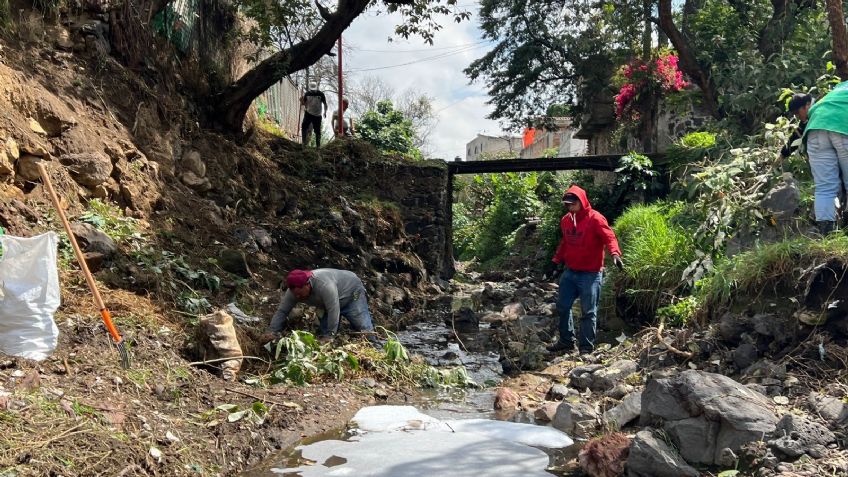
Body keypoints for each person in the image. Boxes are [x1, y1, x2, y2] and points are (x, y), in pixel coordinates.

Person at [547, 185, 623, 355]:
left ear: (581, 201)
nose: (569, 207)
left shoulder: (596, 219)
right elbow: (565, 243)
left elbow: (609, 237)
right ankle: (566, 341)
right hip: (571, 271)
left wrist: (615, 254)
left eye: (572, 204)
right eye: (567, 204)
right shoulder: (566, 220)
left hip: (591, 273)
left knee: (588, 312)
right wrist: (555, 261)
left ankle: (586, 349)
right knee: (563, 306)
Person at [262, 268, 378, 345]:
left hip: (352, 294)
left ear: (307, 284)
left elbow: (334, 309)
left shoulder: (324, 285)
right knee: (322, 336)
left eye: (300, 294)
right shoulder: (293, 293)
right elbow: (282, 311)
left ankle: (376, 348)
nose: (298, 297)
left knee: (364, 329)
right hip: (328, 304)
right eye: (295, 295)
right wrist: (272, 331)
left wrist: (330, 335)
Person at [803, 80, 848, 234]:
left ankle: (826, 233)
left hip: (815, 127)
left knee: (824, 188)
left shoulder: (839, 87)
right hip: (842, 125)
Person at [780, 93, 812, 158]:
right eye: (795, 114)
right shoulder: (804, 122)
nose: (797, 116)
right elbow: (792, 141)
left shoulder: (819, 115)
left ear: (808, 104)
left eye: (797, 112)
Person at [301, 82, 327, 147]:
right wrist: (302, 101)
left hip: (317, 115)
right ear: (310, 88)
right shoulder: (307, 94)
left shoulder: (321, 94)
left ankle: (318, 146)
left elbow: (325, 104)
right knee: (304, 126)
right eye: (312, 89)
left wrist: (325, 112)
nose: (313, 90)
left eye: (314, 89)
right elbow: (303, 104)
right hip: (308, 113)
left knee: (317, 131)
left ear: (316, 88)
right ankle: (303, 143)